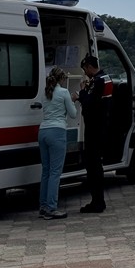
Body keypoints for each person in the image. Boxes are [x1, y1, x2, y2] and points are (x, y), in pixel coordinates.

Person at [38, 66, 78, 220]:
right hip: (57, 132)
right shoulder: (64, 92)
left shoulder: (44, 92)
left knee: (46, 171)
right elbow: (73, 114)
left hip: (43, 131)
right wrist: (73, 101)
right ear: (62, 79)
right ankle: (51, 208)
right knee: (55, 172)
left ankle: (43, 206)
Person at [78, 54, 113, 213]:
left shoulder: (98, 81)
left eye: (85, 69)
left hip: (94, 128)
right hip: (102, 126)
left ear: (90, 66)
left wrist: (82, 93)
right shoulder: (106, 78)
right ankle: (98, 200)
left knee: (93, 166)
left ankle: (97, 201)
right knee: (95, 164)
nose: (85, 73)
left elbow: (89, 105)